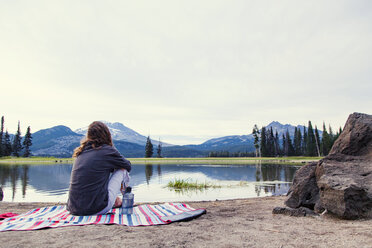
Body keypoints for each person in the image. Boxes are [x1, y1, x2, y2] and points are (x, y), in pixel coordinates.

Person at [67, 121, 131, 216]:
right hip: (95, 209)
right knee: (122, 170)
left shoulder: (81, 151)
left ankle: (117, 200)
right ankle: (127, 200)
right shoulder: (107, 150)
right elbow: (127, 165)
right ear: (106, 135)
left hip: (74, 209)